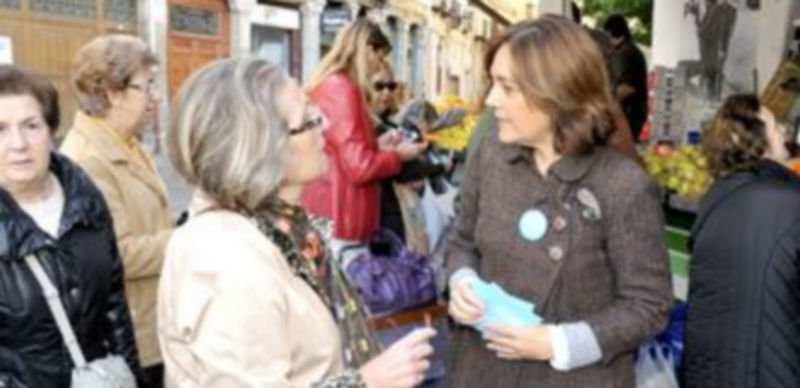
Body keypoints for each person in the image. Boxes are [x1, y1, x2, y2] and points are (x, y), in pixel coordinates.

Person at [159, 57, 435, 387]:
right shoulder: (225, 258)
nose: (327, 126)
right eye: (309, 120)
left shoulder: (279, 222)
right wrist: (367, 382)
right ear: (261, 147)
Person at [446, 16, 672, 387]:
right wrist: (462, 281)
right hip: (481, 371)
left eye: (507, 87)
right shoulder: (491, 155)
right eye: (493, 84)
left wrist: (559, 342)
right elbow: (462, 240)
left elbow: (648, 306)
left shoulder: (623, 185)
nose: (490, 99)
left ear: (556, 94)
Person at [0, 65, 142, 387]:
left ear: (51, 131)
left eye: (31, 126)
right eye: (0, 130)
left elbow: (114, 309)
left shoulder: (85, 199)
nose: (18, 143)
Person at [59, 35, 173, 387]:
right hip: (134, 335)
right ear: (110, 93)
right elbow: (117, 254)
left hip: (157, 322)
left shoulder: (129, 143)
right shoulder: (87, 159)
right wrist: (187, 238)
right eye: (146, 86)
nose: (156, 97)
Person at [684, 94, 800, 388]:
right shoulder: (787, 204)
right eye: (775, 127)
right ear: (757, 142)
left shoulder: (715, 202)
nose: (784, 133)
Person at [301, 19, 426, 259]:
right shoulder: (342, 88)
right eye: (379, 58)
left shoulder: (330, 85)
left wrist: (379, 146)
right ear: (369, 50)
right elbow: (359, 167)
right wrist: (398, 156)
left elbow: (340, 151)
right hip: (342, 215)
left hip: (331, 211)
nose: (378, 67)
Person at [369, 58, 447, 245]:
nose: (386, 92)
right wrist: (438, 165)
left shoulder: (390, 124)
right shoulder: (367, 126)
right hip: (380, 220)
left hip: (396, 215)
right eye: (379, 86)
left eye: (391, 85)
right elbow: (407, 169)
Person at [603, 14, 649, 142]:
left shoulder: (626, 53)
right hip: (633, 113)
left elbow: (626, 88)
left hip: (629, 114)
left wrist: (605, 106)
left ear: (613, 34)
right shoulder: (630, 50)